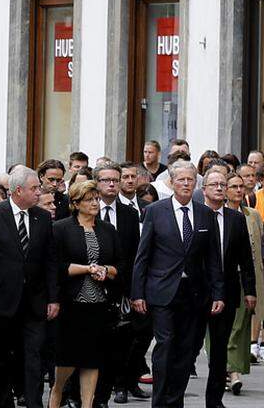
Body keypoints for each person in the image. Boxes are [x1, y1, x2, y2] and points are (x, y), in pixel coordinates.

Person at [131, 160, 225, 408]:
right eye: (181, 180)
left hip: (194, 294)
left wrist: (218, 293)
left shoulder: (205, 213)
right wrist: (137, 293)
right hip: (162, 292)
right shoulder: (155, 211)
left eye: (190, 180)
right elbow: (143, 256)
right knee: (165, 346)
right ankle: (160, 402)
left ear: (197, 183)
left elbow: (213, 258)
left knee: (186, 350)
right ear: (172, 182)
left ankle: (175, 401)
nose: (185, 184)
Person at [0, 165, 59, 408]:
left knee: (33, 357)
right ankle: (2, 403)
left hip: (34, 302)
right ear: (18, 191)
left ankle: (33, 403)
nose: (39, 192)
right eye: (34, 188)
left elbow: (50, 260)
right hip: (0, 301)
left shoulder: (42, 218)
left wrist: (53, 297)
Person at [47, 180, 120, 408]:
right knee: (68, 360)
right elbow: (56, 266)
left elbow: (120, 265)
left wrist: (106, 271)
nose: (95, 203)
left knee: (93, 359)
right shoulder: (61, 228)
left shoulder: (108, 229)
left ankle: (87, 405)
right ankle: (57, 394)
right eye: (89, 200)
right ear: (76, 203)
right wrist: (87, 269)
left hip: (100, 304)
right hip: (71, 304)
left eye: (97, 199)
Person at [200, 168, 255, 408]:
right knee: (187, 346)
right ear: (204, 189)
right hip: (195, 292)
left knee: (220, 349)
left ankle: (214, 400)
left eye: (223, 184)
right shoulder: (196, 214)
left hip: (228, 290)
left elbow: (246, 258)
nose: (220, 188)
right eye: (214, 184)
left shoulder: (236, 219)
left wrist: (250, 289)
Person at [91, 164, 141, 406]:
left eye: (115, 180)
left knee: (121, 343)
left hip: (120, 287)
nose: (111, 184)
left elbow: (134, 255)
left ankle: (118, 386)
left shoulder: (130, 214)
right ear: (96, 183)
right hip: (89, 287)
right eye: (105, 180)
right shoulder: (87, 210)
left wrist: (131, 290)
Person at [225, 170, 262, 395]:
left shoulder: (252, 215)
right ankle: (231, 371)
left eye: (241, 186)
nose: (239, 190)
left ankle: (232, 370)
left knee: (242, 324)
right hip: (224, 278)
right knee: (229, 326)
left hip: (248, 277)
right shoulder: (215, 214)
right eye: (234, 187)